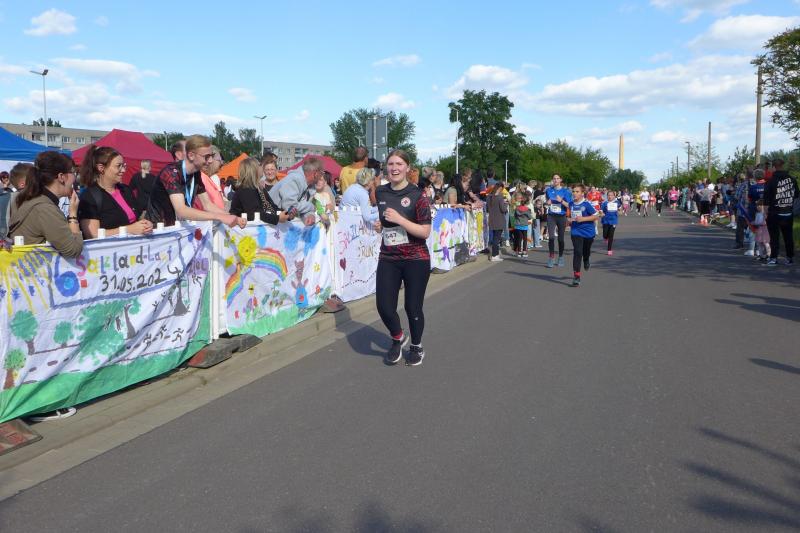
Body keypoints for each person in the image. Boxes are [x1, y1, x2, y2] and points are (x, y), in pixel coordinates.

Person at [375, 149, 432, 367]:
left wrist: (400, 220)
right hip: (389, 256)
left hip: (415, 258)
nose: (394, 168)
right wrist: (381, 225)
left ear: (407, 167)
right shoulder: (381, 192)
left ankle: (416, 346)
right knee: (384, 306)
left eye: (399, 164)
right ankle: (398, 337)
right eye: (391, 164)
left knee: (412, 307)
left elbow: (425, 232)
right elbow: (385, 221)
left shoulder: (418, 195)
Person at [147, 134, 245, 228]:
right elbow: (181, 210)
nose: (210, 161)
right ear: (191, 155)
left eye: (211, 156)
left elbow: (208, 205)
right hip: (157, 230)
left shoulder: (196, 174)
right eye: (206, 157)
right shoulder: (171, 172)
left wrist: (232, 217)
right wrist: (219, 217)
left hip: (177, 228)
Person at [8, 151, 83, 257]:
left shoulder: (35, 198)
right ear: (61, 177)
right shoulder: (45, 208)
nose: (74, 178)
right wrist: (73, 215)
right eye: (73, 172)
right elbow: (73, 250)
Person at [77, 145, 153, 238]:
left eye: (123, 166)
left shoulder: (126, 190)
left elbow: (136, 219)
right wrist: (129, 229)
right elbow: (92, 234)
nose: (123, 170)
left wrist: (145, 225)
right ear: (101, 168)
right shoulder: (89, 196)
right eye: (118, 166)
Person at [229, 157, 290, 224]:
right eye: (259, 165)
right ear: (253, 170)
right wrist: (277, 218)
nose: (262, 167)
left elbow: (272, 206)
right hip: (245, 228)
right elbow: (255, 213)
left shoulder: (259, 187)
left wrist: (287, 214)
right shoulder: (245, 189)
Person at [268, 156, 323, 226]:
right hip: (268, 223)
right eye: (322, 173)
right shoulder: (294, 180)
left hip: (279, 224)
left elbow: (303, 207)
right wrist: (311, 206)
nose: (321, 176)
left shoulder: (311, 186)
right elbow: (290, 207)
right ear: (316, 174)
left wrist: (310, 215)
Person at [763, 158, 798, 265]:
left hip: (774, 212)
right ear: (783, 166)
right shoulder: (792, 179)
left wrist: (765, 213)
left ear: (774, 167)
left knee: (774, 237)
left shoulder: (770, 181)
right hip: (788, 212)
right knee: (788, 236)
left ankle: (774, 258)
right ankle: (790, 258)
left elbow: (766, 200)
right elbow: (796, 195)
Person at [568, 184, 601, 287]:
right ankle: (576, 277)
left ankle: (586, 259)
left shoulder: (587, 204)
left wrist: (583, 219)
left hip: (588, 232)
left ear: (582, 193)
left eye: (577, 191)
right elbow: (569, 216)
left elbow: (596, 216)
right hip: (576, 231)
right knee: (577, 252)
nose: (574, 193)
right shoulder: (571, 204)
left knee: (586, 251)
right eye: (573, 191)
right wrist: (569, 220)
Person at [545, 174, 572, 268]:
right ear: (552, 180)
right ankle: (551, 257)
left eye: (557, 178)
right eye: (554, 178)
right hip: (551, 216)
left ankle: (560, 257)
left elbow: (569, 205)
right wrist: (547, 203)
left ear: (560, 180)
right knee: (551, 237)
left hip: (561, 216)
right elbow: (547, 203)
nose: (556, 180)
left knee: (560, 239)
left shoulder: (565, 191)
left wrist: (561, 201)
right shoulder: (548, 190)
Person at [487, 181, 508, 262]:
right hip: (499, 219)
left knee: (494, 237)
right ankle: (494, 255)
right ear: (500, 188)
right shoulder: (500, 197)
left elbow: (488, 208)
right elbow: (503, 209)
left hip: (492, 219)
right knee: (497, 238)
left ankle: (495, 254)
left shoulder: (489, 196)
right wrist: (506, 204)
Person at [512, 191, 532, 258]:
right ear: (526, 203)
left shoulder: (517, 208)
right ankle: (524, 251)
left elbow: (515, 216)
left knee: (519, 238)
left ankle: (519, 251)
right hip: (524, 225)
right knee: (525, 239)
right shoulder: (527, 209)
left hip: (518, 225)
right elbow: (530, 217)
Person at [601, 190, 620, 256]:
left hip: (613, 221)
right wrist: (601, 214)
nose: (610, 196)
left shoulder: (617, 203)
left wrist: (619, 211)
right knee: (605, 235)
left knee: (611, 235)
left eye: (611, 195)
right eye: (608, 195)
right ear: (607, 196)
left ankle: (609, 250)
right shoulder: (604, 203)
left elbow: (620, 211)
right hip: (605, 221)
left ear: (614, 196)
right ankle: (606, 238)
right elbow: (601, 211)